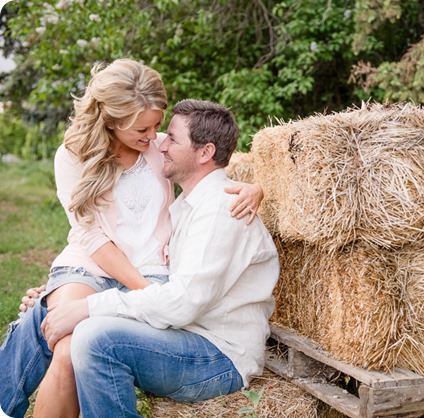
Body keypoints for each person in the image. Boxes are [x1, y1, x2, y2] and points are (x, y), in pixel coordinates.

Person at [0, 60, 263, 418]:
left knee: (71, 346)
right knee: (59, 331)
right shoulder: (72, 156)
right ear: (111, 120)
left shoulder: (160, 146)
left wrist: (257, 187)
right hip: (90, 263)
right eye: (144, 128)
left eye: (159, 125)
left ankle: (45, 313)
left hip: (152, 269)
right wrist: (126, 295)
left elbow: (212, 164)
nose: (154, 136)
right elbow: (89, 235)